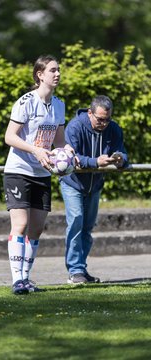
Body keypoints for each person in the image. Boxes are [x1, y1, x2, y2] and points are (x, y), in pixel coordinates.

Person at [3, 55, 75, 295]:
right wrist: (35, 149)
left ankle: (26, 278)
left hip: (42, 174)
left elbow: (60, 140)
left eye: (58, 70)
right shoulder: (25, 102)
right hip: (18, 171)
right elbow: (10, 137)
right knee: (20, 225)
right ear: (39, 75)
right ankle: (17, 281)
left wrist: (68, 151)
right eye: (52, 70)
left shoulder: (59, 105)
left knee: (36, 229)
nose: (57, 74)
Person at [60, 95, 128, 284]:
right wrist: (95, 162)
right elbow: (71, 157)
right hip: (72, 183)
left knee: (87, 228)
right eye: (100, 119)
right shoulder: (75, 126)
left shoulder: (113, 128)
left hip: (95, 185)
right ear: (90, 113)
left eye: (107, 119)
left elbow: (121, 150)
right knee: (76, 222)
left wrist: (120, 159)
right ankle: (75, 271)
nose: (104, 124)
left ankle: (81, 269)